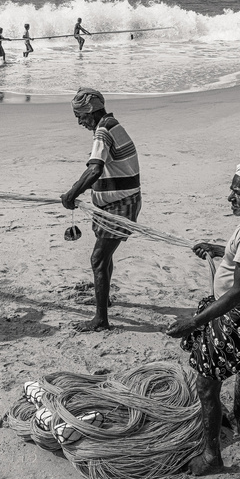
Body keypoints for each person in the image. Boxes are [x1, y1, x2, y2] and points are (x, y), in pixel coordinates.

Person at [165, 156, 240, 476]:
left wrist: (194, 321)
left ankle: (211, 457)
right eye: (231, 189)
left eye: (239, 192)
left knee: (206, 386)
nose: (230, 197)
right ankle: (239, 420)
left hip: (237, 314)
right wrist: (220, 250)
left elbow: (238, 293)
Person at [60, 87, 141, 332]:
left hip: (120, 206)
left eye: (81, 116)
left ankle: (101, 320)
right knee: (104, 257)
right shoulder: (111, 124)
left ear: (92, 112)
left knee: (98, 259)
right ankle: (103, 300)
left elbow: (95, 169)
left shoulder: (103, 132)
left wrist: (72, 194)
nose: (79, 122)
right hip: (116, 204)